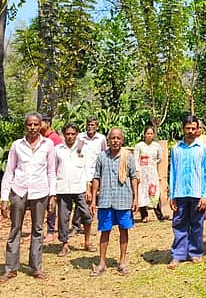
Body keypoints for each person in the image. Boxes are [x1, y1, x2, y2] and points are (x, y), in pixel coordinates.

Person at [0, 112, 57, 282]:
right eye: (29, 125)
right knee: (15, 228)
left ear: (41, 126)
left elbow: (51, 171)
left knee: (38, 230)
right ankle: (10, 268)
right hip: (19, 190)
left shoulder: (48, 145)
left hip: (40, 191)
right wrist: (4, 198)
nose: (32, 128)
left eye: (36, 125)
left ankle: (36, 267)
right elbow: (9, 171)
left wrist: (52, 195)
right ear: (25, 126)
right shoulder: (17, 145)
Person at [89, 128, 139, 276]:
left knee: (124, 230)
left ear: (122, 140)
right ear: (108, 140)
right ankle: (102, 262)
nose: (115, 141)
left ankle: (122, 261)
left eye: (118, 138)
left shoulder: (127, 157)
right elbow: (96, 178)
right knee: (105, 231)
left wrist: (136, 198)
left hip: (124, 200)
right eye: (112, 138)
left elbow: (134, 178)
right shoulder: (101, 157)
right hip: (105, 200)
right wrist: (93, 199)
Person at [167, 116, 206, 269]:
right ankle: (178, 254)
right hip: (180, 192)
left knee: (197, 224)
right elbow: (172, 172)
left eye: (193, 128)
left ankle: (195, 252)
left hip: (197, 192)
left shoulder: (203, 150)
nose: (191, 131)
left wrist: (205, 195)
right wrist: (172, 195)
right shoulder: (176, 149)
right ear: (183, 129)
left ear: (197, 129)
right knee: (179, 223)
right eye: (188, 128)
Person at [54, 123, 94, 257]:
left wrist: (89, 189)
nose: (70, 136)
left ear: (76, 134)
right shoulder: (58, 149)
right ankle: (65, 244)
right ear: (64, 134)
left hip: (80, 187)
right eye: (67, 134)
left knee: (86, 215)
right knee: (63, 217)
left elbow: (88, 168)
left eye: (72, 134)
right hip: (63, 188)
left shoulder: (83, 148)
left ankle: (87, 242)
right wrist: (53, 192)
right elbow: (53, 169)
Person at [134, 126, 166, 223]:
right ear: (144, 135)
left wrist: (153, 163)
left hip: (152, 172)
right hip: (142, 173)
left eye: (151, 134)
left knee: (154, 192)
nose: (149, 135)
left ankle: (159, 215)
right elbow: (136, 159)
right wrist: (137, 172)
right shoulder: (139, 146)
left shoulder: (156, 146)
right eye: (148, 133)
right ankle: (144, 215)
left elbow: (160, 158)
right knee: (142, 192)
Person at [40, 114, 63, 243]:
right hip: (42, 176)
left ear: (48, 123)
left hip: (52, 176)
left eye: (41, 122)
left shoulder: (54, 139)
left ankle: (50, 231)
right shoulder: (40, 138)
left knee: (51, 204)